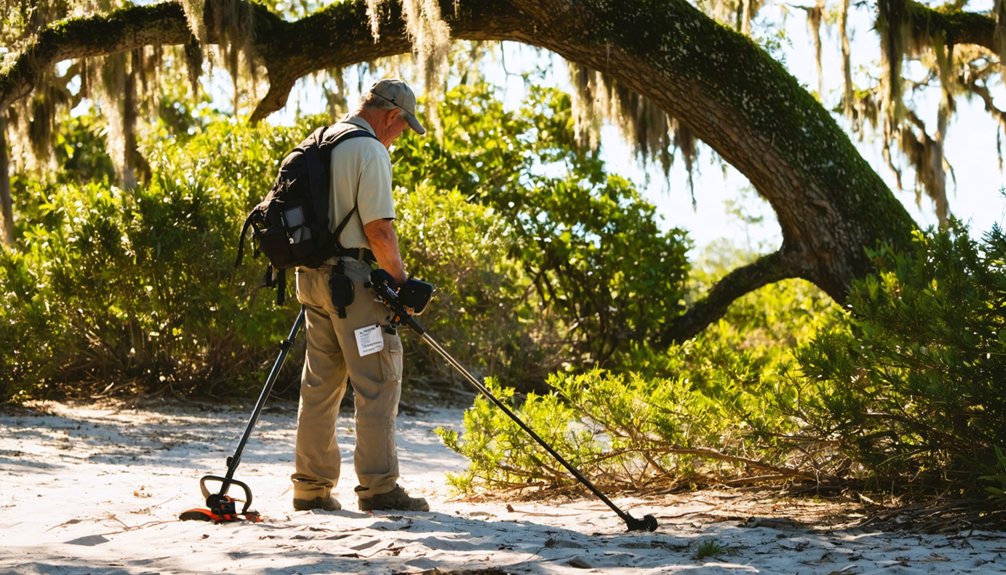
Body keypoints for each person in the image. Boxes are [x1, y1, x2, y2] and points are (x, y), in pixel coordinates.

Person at [290, 78, 429, 513]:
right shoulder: (369, 149)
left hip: (310, 279)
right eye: (403, 126)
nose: (400, 134)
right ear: (391, 115)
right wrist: (402, 283)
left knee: (319, 384)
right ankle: (379, 489)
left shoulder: (320, 140)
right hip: (351, 283)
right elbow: (378, 230)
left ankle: (310, 489)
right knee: (378, 380)